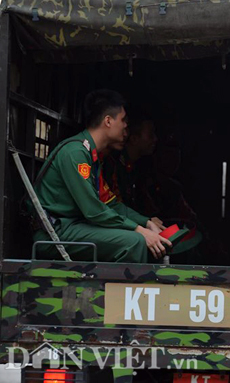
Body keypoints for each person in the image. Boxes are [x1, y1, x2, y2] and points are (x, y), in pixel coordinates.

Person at [32, 89, 171, 263]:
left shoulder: (93, 156)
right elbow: (94, 211)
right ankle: (113, 289)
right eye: (123, 120)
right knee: (134, 242)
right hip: (55, 231)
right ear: (108, 121)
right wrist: (139, 230)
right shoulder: (76, 153)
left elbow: (110, 203)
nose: (126, 126)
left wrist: (145, 222)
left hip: (74, 226)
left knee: (138, 237)